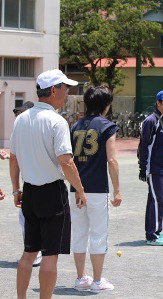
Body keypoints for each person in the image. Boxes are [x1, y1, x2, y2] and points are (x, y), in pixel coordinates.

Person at [9, 69, 87, 299]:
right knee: (50, 255)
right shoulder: (57, 120)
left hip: (30, 191)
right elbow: (66, 161)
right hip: (52, 193)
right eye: (65, 88)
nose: (67, 93)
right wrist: (80, 190)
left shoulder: (22, 118)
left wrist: (16, 188)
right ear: (53, 90)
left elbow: (13, 158)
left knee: (29, 253)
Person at [69, 86, 122, 292]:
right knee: (98, 233)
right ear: (106, 105)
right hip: (98, 189)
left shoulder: (75, 126)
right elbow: (112, 160)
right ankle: (98, 281)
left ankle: (81, 278)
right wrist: (117, 189)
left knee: (79, 233)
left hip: (76, 188)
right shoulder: (107, 126)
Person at [138, 90, 163, 246]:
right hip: (153, 168)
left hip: (162, 168)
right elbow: (143, 146)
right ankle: (153, 235)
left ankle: (154, 232)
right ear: (158, 103)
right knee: (156, 200)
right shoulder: (151, 121)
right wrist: (142, 167)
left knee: (156, 200)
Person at [10, 101, 43, 267]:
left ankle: (34, 255)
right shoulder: (27, 132)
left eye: (21, 114)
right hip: (35, 184)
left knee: (27, 219)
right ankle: (38, 254)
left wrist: (16, 191)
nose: (18, 117)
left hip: (35, 185)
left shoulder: (27, 132)